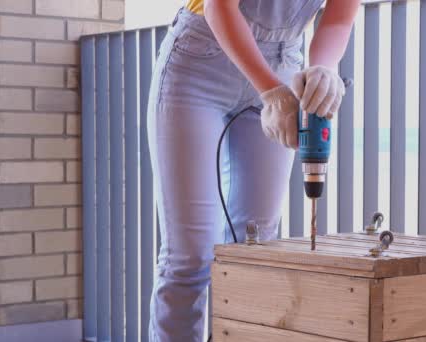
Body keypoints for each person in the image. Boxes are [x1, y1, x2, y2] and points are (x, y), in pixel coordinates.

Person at [146, 0, 360, 340]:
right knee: (188, 257)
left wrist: (324, 68)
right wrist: (269, 92)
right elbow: (220, 8)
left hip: (283, 62)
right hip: (201, 61)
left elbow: (339, 17)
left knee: (256, 249)